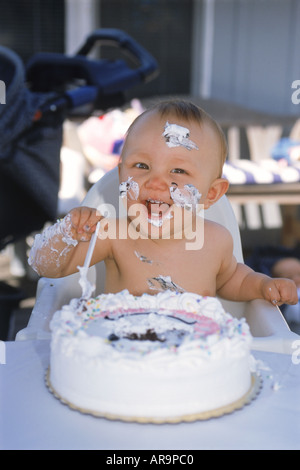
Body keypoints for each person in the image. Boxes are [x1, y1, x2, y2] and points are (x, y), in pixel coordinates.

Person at [29, 99, 298, 306]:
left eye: (178, 171)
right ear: (121, 174)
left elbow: (233, 281)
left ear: (212, 194)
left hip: (193, 361)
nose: (155, 183)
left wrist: (263, 285)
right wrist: (67, 234)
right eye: (142, 165)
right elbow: (47, 266)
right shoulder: (114, 234)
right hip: (120, 358)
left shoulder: (216, 240)